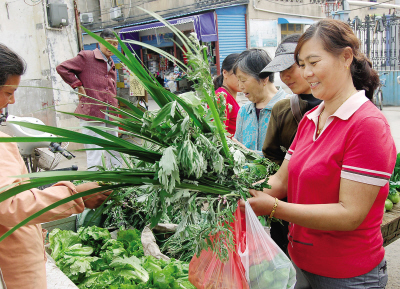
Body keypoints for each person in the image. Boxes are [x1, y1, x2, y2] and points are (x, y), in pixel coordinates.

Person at [241, 19, 397, 288]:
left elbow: (350, 214)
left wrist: (274, 208)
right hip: (301, 261)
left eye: (314, 62)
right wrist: (240, 192)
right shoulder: (311, 118)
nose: (307, 73)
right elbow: (281, 181)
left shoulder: (367, 125)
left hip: (348, 274)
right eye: (302, 65)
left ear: (346, 57)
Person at [0, 43, 111, 289]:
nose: (13, 100)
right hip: (13, 270)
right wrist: (74, 195)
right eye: (8, 92)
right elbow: (8, 204)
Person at [258, 35, 322, 254]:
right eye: (280, 71)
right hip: (285, 212)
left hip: (323, 218)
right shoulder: (282, 110)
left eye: (292, 67)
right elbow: (272, 159)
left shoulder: (336, 107)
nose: (285, 76)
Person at [56, 28, 121, 170]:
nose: (112, 46)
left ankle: (118, 181)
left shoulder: (111, 63)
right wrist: (78, 86)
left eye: (115, 44)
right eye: (109, 42)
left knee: (115, 149)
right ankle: (96, 186)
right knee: (95, 153)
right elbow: (62, 68)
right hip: (92, 113)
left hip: (111, 114)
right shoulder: (87, 57)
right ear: (100, 42)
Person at [233, 49, 288, 156]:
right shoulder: (244, 111)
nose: (240, 86)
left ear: (264, 78)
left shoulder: (289, 107)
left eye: (243, 80)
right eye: (238, 80)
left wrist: (249, 153)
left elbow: (288, 155)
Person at [213, 53, 241, 136]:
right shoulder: (221, 97)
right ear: (225, 73)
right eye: (237, 75)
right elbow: (219, 137)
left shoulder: (227, 96)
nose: (242, 79)